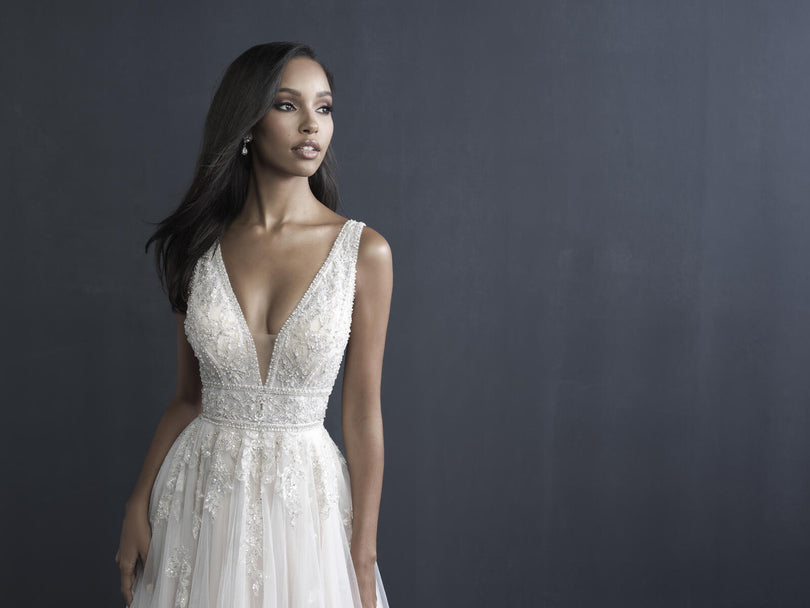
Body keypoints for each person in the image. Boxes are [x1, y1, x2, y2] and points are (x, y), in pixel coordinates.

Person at [114, 42, 392, 608]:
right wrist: (136, 503)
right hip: (200, 496)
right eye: (288, 105)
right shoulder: (196, 248)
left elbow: (363, 413)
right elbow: (187, 398)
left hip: (305, 505)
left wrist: (363, 556)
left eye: (324, 107)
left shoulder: (364, 252)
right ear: (247, 122)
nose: (312, 124)